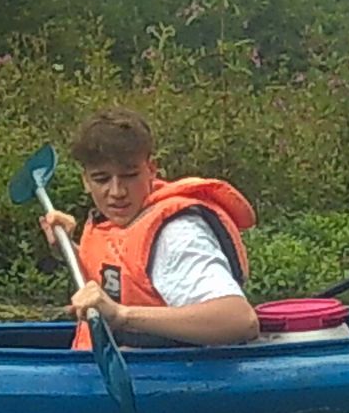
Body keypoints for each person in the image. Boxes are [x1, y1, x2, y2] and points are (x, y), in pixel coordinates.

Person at [38, 107, 261, 348]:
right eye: (102, 179)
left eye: (130, 175)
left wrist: (122, 315)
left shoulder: (177, 234)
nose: (117, 192)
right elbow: (124, 278)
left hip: (170, 379)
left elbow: (239, 320)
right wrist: (68, 248)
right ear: (85, 180)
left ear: (151, 170)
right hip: (98, 375)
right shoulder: (116, 223)